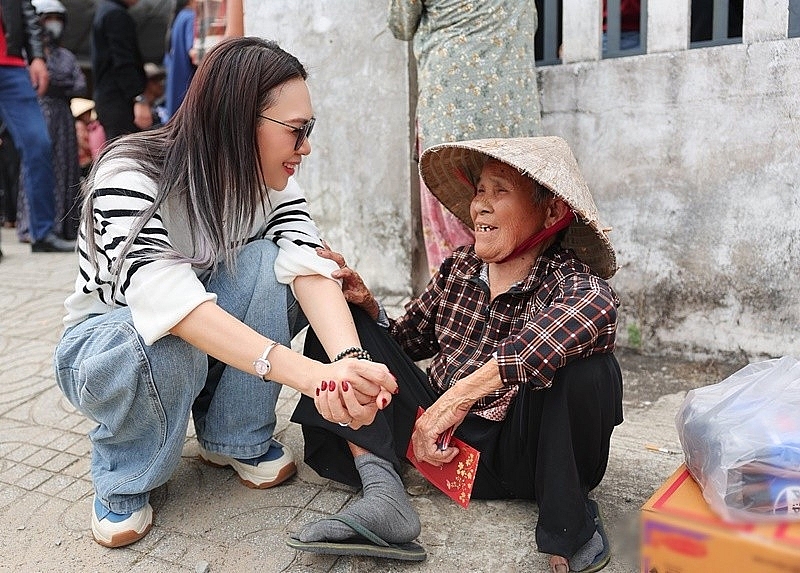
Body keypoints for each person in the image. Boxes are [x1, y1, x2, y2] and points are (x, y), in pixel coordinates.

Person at [53, 37, 398, 549]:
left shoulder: (270, 181)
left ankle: (234, 437)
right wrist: (317, 380)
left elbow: (309, 264)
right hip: (111, 345)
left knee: (266, 264)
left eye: (309, 131)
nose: (305, 147)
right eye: (297, 131)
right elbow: (173, 306)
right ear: (240, 120)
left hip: (195, 332)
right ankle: (126, 474)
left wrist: (347, 364)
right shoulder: (129, 174)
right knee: (164, 335)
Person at [287, 137, 623, 573]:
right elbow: (406, 341)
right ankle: (384, 494)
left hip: (526, 455)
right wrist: (368, 307)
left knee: (593, 368)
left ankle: (570, 528)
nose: (480, 206)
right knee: (340, 326)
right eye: (479, 191)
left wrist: (457, 397)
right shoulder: (460, 267)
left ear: (552, 212)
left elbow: (596, 311)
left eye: (499, 191)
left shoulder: (570, 278)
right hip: (439, 446)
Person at [388, 1, 544, 275]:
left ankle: (460, 307)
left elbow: (401, 23)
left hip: (452, 112)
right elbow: (531, 21)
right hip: (514, 115)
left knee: (454, 228)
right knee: (516, 220)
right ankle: (511, 307)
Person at [0, 0, 75, 252]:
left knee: (39, 143)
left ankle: (42, 233)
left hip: (11, 64)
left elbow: (26, 12)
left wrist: (37, 57)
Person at [16, 0, 86, 242]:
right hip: (38, 111)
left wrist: (53, 83)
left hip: (63, 117)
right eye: (49, 17)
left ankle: (62, 228)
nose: (53, 23)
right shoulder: (28, 55)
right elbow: (26, 83)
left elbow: (80, 83)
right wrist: (56, 83)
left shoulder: (66, 55)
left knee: (65, 168)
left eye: (58, 17)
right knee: (37, 165)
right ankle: (31, 226)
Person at [91, 0, 150, 139]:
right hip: (120, 102)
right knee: (127, 154)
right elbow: (123, 62)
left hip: (109, 100)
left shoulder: (105, 11)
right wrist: (138, 98)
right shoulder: (115, 14)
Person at [163, 0, 196, 119]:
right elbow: (194, 53)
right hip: (188, 99)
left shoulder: (178, 18)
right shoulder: (190, 17)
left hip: (175, 101)